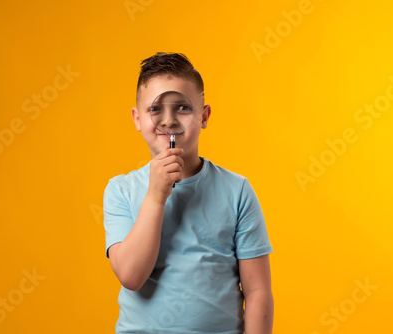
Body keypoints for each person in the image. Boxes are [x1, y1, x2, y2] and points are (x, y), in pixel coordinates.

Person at [103, 52, 274, 334]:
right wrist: (156, 194)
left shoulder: (237, 190)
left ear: (204, 116)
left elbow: (258, 292)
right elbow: (131, 276)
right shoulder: (120, 190)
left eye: (183, 108)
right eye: (154, 110)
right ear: (137, 119)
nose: (168, 121)